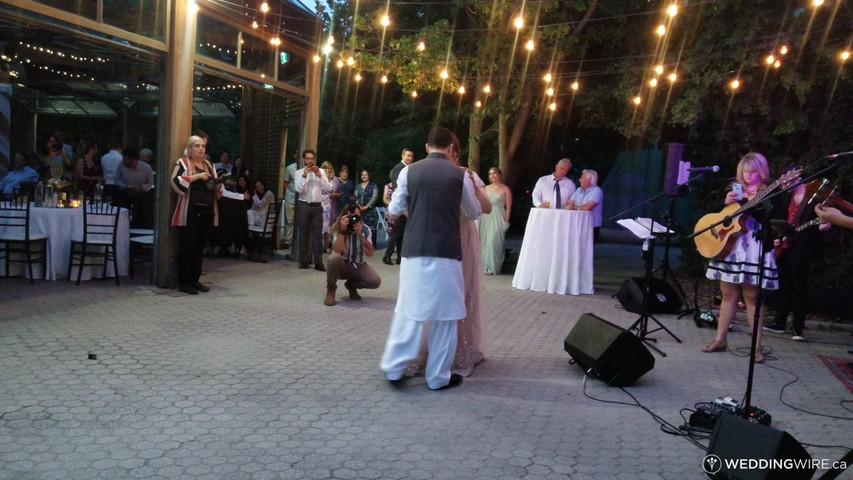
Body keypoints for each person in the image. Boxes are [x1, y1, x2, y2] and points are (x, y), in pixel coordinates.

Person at [379, 126, 482, 391]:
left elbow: (393, 208)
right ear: (450, 147)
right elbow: (474, 212)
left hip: (413, 249)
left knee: (408, 310)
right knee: (445, 316)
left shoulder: (408, 171)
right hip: (446, 252)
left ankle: (393, 368)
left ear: (427, 147)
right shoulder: (459, 175)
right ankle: (437, 377)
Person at [702, 152, 781, 363]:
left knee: (752, 296)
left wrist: (750, 203)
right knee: (727, 295)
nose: (748, 176)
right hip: (730, 245)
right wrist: (724, 202)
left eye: (753, 172)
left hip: (754, 245)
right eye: (745, 171)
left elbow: (774, 216)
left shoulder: (772, 190)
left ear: (762, 172)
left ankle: (756, 347)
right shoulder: (733, 188)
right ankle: (720, 339)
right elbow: (714, 215)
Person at [763, 179, 831, 341]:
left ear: (798, 178)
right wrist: (777, 238)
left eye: (787, 183)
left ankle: (798, 328)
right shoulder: (787, 198)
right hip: (785, 246)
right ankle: (780, 322)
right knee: (784, 286)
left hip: (803, 247)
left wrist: (825, 225)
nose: (785, 187)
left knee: (799, 288)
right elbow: (782, 220)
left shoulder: (814, 197)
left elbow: (825, 220)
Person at [170, 135, 219, 295]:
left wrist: (219, 185)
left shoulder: (208, 164)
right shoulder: (183, 162)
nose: (201, 149)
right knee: (187, 247)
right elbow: (175, 181)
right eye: (197, 146)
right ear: (190, 148)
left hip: (206, 210)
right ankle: (184, 282)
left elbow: (215, 185)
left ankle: (195, 280)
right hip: (189, 211)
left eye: (203, 146)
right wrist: (197, 176)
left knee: (199, 248)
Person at [323, 205, 382, 306]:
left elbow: (370, 253)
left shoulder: (365, 229)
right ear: (345, 216)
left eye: (357, 216)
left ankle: (351, 285)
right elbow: (337, 250)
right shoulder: (339, 227)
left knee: (375, 281)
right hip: (342, 265)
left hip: (358, 265)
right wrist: (342, 231)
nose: (354, 219)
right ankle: (331, 291)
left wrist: (360, 235)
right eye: (351, 216)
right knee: (333, 258)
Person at [295, 149, 330, 271]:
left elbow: (328, 187)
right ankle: (304, 260)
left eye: (312, 158)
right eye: (308, 158)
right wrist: (305, 175)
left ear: (314, 159)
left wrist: (319, 175)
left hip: (317, 206)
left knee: (317, 235)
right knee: (303, 233)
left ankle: (318, 262)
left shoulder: (320, 171)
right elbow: (298, 190)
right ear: (304, 159)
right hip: (304, 204)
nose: (310, 161)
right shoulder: (299, 172)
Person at [479, 166, 512, 275]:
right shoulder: (486, 188)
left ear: (499, 175)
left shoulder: (505, 189)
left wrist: (506, 221)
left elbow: (509, 206)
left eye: (494, 173)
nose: (492, 175)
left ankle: (495, 266)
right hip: (486, 216)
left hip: (498, 216)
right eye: (490, 174)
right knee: (485, 241)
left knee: (494, 241)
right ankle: (486, 267)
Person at [115, 147, 155, 229]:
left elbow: (150, 183)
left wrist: (142, 187)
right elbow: (117, 179)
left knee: (146, 200)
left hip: (141, 193)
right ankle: (121, 223)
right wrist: (124, 186)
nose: (124, 161)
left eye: (126, 159)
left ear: (133, 160)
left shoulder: (146, 168)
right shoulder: (121, 166)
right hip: (126, 192)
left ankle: (142, 225)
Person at [566, 169, 604, 242]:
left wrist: (573, 207)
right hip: (576, 225)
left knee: (586, 251)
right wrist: (578, 207)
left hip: (590, 227)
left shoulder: (597, 191)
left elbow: (587, 208)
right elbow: (568, 205)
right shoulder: (578, 190)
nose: (579, 179)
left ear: (589, 180)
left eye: (582, 178)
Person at [246, 179, 275, 263]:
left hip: (266, 220)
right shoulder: (257, 196)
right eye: (257, 187)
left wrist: (254, 195)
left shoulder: (269, 193)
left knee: (249, 215)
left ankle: (250, 232)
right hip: (259, 218)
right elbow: (253, 208)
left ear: (264, 185)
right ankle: (249, 231)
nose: (259, 188)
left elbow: (260, 204)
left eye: (261, 185)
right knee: (248, 212)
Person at [355, 169, 379, 246]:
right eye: (362, 175)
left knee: (372, 228)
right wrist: (359, 206)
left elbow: (374, 197)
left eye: (366, 175)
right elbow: (355, 197)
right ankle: (363, 244)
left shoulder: (373, 185)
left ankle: (372, 245)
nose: (364, 176)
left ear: (369, 176)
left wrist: (367, 206)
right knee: (361, 227)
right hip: (360, 210)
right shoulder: (358, 186)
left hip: (371, 210)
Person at [321, 161, 337, 252]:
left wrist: (335, 194)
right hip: (320, 202)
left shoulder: (334, 179)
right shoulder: (319, 178)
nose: (327, 170)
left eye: (329, 168)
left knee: (327, 226)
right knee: (319, 225)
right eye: (325, 168)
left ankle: (327, 246)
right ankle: (318, 246)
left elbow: (338, 191)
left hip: (329, 204)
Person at [282, 160, 298, 251]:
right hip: (290, 197)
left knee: (300, 221)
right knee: (289, 220)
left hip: (302, 199)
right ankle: (287, 241)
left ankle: (296, 240)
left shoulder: (307, 169)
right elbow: (285, 182)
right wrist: (287, 193)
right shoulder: (290, 168)